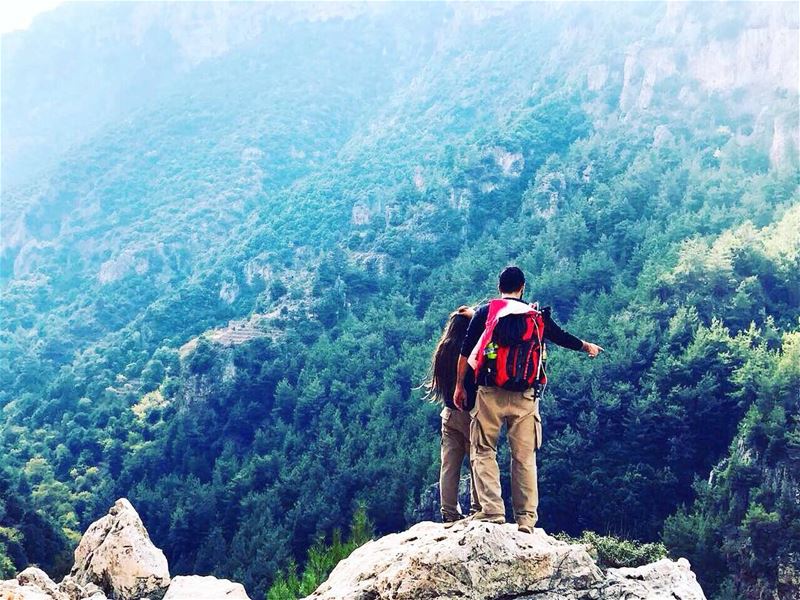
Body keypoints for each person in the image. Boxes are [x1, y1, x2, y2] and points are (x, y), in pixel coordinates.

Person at [452, 266, 603, 533]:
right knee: (523, 457)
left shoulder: (487, 312)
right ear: (522, 287)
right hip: (525, 396)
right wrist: (587, 346)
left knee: (484, 450)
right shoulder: (536, 317)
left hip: (490, 393)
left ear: (499, 287)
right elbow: (561, 337)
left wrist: (460, 386)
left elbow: (465, 353)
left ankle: (493, 511)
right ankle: (525, 519)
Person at [425, 305, 482, 522]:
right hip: (471, 413)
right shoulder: (470, 349)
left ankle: (449, 512)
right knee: (478, 461)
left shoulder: (443, 349)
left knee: (449, 466)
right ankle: (478, 509)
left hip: (448, 413)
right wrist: (476, 316)